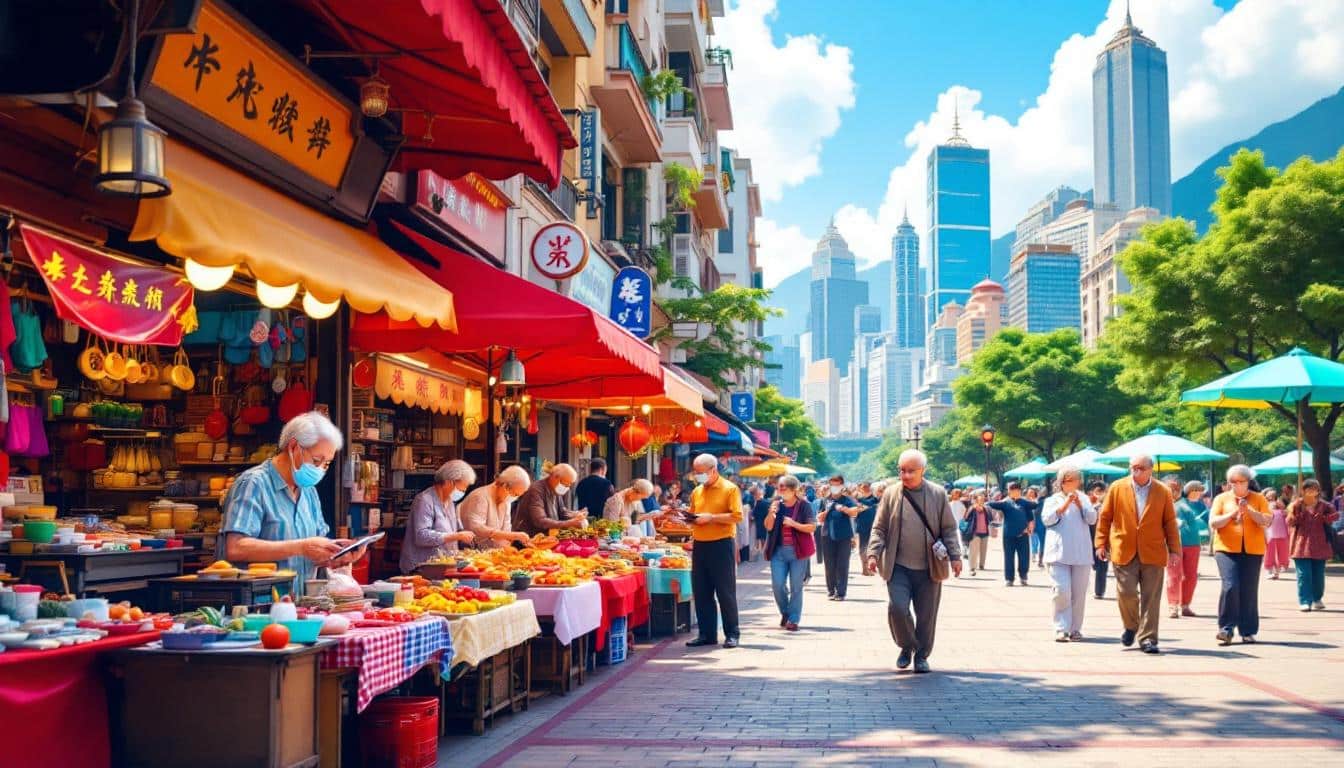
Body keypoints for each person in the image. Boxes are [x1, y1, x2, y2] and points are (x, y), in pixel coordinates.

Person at [221, 411, 365, 596]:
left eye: (326, 464)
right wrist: (302, 547)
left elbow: (316, 552)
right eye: (316, 460)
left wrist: (337, 555)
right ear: (294, 447)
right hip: (258, 609)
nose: (320, 469)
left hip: (300, 606)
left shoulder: (309, 492)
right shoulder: (253, 484)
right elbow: (235, 548)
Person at [866, 449, 962, 674]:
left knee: (927, 615)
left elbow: (949, 528)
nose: (906, 475)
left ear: (923, 471)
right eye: (902, 470)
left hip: (929, 567)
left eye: (911, 471)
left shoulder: (938, 494)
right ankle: (907, 645)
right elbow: (879, 528)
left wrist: (955, 556)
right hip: (897, 566)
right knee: (898, 608)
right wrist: (872, 554)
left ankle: (921, 656)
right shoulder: (891, 494)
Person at [1094, 454, 1181, 654]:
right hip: (1124, 548)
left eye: (1140, 468)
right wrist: (1100, 543)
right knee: (1126, 592)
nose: (1136, 471)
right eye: (1133, 467)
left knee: (1151, 597)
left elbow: (1169, 522)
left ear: (1150, 469)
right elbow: (1105, 517)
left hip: (1153, 551)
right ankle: (1131, 625)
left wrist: (1175, 550)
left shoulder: (1162, 491)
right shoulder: (1117, 487)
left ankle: (1148, 638)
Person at [685, 454, 744, 649]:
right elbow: (694, 514)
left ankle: (732, 633)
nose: (698, 476)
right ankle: (706, 633)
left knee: (725, 591)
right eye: (696, 473)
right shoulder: (697, 491)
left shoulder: (730, 488)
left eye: (701, 473)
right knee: (701, 592)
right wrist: (686, 518)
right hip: (700, 544)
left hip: (721, 544)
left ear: (713, 470)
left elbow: (737, 516)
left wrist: (711, 517)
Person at [1209, 465, 1272, 645]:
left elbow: (1266, 520)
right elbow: (1214, 522)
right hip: (1226, 549)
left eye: (1240, 482)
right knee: (1230, 585)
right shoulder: (1221, 499)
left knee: (1248, 589)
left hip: (1253, 549)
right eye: (1233, 482)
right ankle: (1226, 628)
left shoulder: (1258, 499)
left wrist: (1249, 510)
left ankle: (1248, 629)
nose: (1236, 485)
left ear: (1248, 482)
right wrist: (1232, 513)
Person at [1041, 466, 1099, 642]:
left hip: (1080, 552)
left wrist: (1081, 505)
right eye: (1071, 480)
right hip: (1058, 553)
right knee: (1061, 590)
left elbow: (1092, 519)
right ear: (1062, 482)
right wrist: (1065, 504)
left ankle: (1075, 629)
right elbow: (1047, 520)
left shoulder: (1084, 498)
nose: (1075, 483)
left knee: (1078, 593)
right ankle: (1061, 627)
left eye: (1076, 480)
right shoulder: (1052, 500)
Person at [399, 460, 477, 573]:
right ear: (448, 482)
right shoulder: (424, 500)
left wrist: (466, 536)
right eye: (461, 489)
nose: (463, 492)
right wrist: (456, 536)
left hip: (443, 567)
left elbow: (456, 529)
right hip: (421, 568)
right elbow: (421, 536)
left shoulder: (450, 503)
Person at [764, 475, 816, 631]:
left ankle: (793, 619)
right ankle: (785, 612)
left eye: (783, 487)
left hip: (797, 551)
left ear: (793, 490)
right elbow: (768, 526)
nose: (780, 490)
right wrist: (771, 513)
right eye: (778, 487)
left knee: (796, 586)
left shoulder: (804, 505)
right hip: (778, 552)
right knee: (777, 585)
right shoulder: (776, 504)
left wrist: (793, 523)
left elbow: (811, 527)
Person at [1287, 479, 1339, 611]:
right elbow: (1290, 521)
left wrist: (1324, 517)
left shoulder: (1325, 505)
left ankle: (1317, 598)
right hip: (1301, 544)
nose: (1311, 491)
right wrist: (1300, 511)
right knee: (1304, 575)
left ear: (1318, 491)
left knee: (1318, 575)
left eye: (1314, 489)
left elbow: (1334, 517)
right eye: (1308, 489)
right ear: (1303, 491)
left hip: (1320, 544)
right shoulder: (1296, 505)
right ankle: (1305, 600)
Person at [460, 465, 533, 549]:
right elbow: (476, 529)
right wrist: (514, 535)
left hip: (494, 553)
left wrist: (523, 542)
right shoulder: (480, 497)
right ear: (505, 486)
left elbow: (506, 532)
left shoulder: (506, 501)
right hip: (472, 552)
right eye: (515, 494)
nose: (514, 497)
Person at [1168, 481, 1208, 618]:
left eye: (1200, 491)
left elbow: (1208, 519)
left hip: (1194, 543)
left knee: (1191, 576)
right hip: (1176, 544)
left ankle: (1185, 604)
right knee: (1175, 575)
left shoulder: (1200, 505)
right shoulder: (1176, 504)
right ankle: (1173, 605)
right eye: (1195, 490)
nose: (1198, 493)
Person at [512, 463, 585, 536]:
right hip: (530, 539)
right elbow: (540, 521)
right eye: (566, 484)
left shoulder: (555, 490)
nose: (567, 487)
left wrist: (574, 515)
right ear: (555, 477)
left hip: (547, 537)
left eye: (570, 484)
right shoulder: (536, 490)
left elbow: (562, 512)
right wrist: (569, 523)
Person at [816, 475, 860, 600]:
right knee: (829, 564)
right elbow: (819, 518)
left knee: (842, 564)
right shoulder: (825, 500)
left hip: (844, 536)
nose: (835, 487)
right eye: (833, 484)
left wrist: (844, 509)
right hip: (827, 535)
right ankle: (831, 590)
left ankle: (841, 592)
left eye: (838, 484)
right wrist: (826, 511)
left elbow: (855, 512)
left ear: (842, 485)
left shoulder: (847, 500)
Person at [989, 482, 1038, 586]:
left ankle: (1023, 576)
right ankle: (1009, 579)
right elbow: (991, 504)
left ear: (1019, 491)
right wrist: (1001, 498)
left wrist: (1030, 527)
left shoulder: (1024, 503)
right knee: (1009, 557)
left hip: (1023, 535)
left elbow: (1033, 509)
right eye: (1010, 490)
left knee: (1024, 557)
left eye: (1015, 490)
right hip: (1008, 535)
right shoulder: (1006, 503)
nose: (1012, 492)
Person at [1088, 480, 1110, 598]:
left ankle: (1099, 591)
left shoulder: (1107, 507)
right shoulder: (1088, 507)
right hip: (1089, 540)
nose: (1098, 494)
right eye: (1097, 491)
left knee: (1101, 567)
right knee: (1095, 565)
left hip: (1103, 541)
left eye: (1101, 492)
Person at [961, 491, 993, 575]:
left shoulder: (986, 508)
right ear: (976, 500)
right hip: (974, 532)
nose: (982, 501)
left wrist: (986, 510)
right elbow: (966, 518)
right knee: (973, 550)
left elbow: (990, 518)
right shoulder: (972, 508)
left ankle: (982, 565)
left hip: (985, 532)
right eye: (980, 499)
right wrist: (973, 509)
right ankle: (972, 567)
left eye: (983, 499)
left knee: (983, 549)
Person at [1263, 488, 1290, 579]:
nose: (1270, 498)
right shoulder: (1266, 506)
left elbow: (1287, 511)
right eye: (1269, 496)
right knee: (1271, 553)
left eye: (1271, 496)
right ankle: (1272, 571)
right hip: (1271, 534)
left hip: (1279, 534)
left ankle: (1276, 572)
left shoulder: (1280, 510)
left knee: (1278, 553)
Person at [855, 482, 881, 575]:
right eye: (863, 487)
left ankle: (868, 567)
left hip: (873, 526)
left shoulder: (874, 499)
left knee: (870, 547)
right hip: (863, 526)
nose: (865, 489)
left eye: (866, 487)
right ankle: (865, 568)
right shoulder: (859, 500)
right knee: (865, 548)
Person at [1027, 486, 1047, 567]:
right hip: (1034, 524)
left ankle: (1040, 559)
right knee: (1034, 541)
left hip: (1040, 524)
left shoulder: (1042, 502)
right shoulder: (1030, 502)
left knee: (1042, 542)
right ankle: (1035, 555)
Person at [751, 485, 772, 558]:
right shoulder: (764, 501)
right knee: (762, 535)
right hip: (763, 520)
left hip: (759, 521)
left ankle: (761, 550)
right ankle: (763, 549)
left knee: (759, 536)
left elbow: (754, 513)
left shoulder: (758, 502)